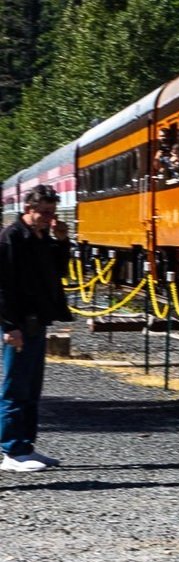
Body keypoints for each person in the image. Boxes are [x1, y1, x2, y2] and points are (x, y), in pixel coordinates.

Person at [0, 185, 70, 472]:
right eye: (44, 212)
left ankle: (26, 446)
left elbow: (59, 271)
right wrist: (9, 326)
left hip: (37, 321)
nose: (49, 218)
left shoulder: (41, 238)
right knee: (15, 386)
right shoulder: (11, 238)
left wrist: (62, 241)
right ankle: (11, 451)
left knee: (31, 387)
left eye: (52, 213)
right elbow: (2, 287)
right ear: (28, 209)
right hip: (18, 323)